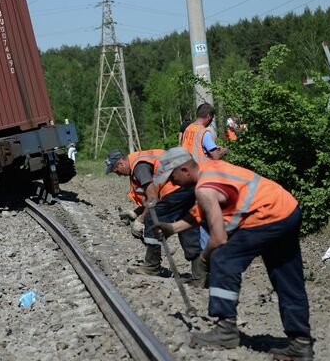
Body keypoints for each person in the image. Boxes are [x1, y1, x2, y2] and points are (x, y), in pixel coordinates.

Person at [152, 147, 313, 360]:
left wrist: (204, 258)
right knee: (286, 275)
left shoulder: (203, 188)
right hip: (287, 208)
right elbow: (203, 210)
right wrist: (173, 228)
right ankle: (300, 342)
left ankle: (225, 329)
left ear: (184, 170)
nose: (173, 183)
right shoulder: (209, 168)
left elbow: (218, 239)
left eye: (173, 177)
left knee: (223, 259)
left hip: (266, 216)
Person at [105, 149, 202, 279]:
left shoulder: (139, 167)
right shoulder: (140, 160)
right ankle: (200, 274)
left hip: (176, 188)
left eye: (116, 171)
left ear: (121, 163)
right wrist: (136, 212)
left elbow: (152, 198)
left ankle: (151, 267)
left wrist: (140, 220)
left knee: (152, 219)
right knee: (186, 225)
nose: (118, 175)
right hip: (186, 185)